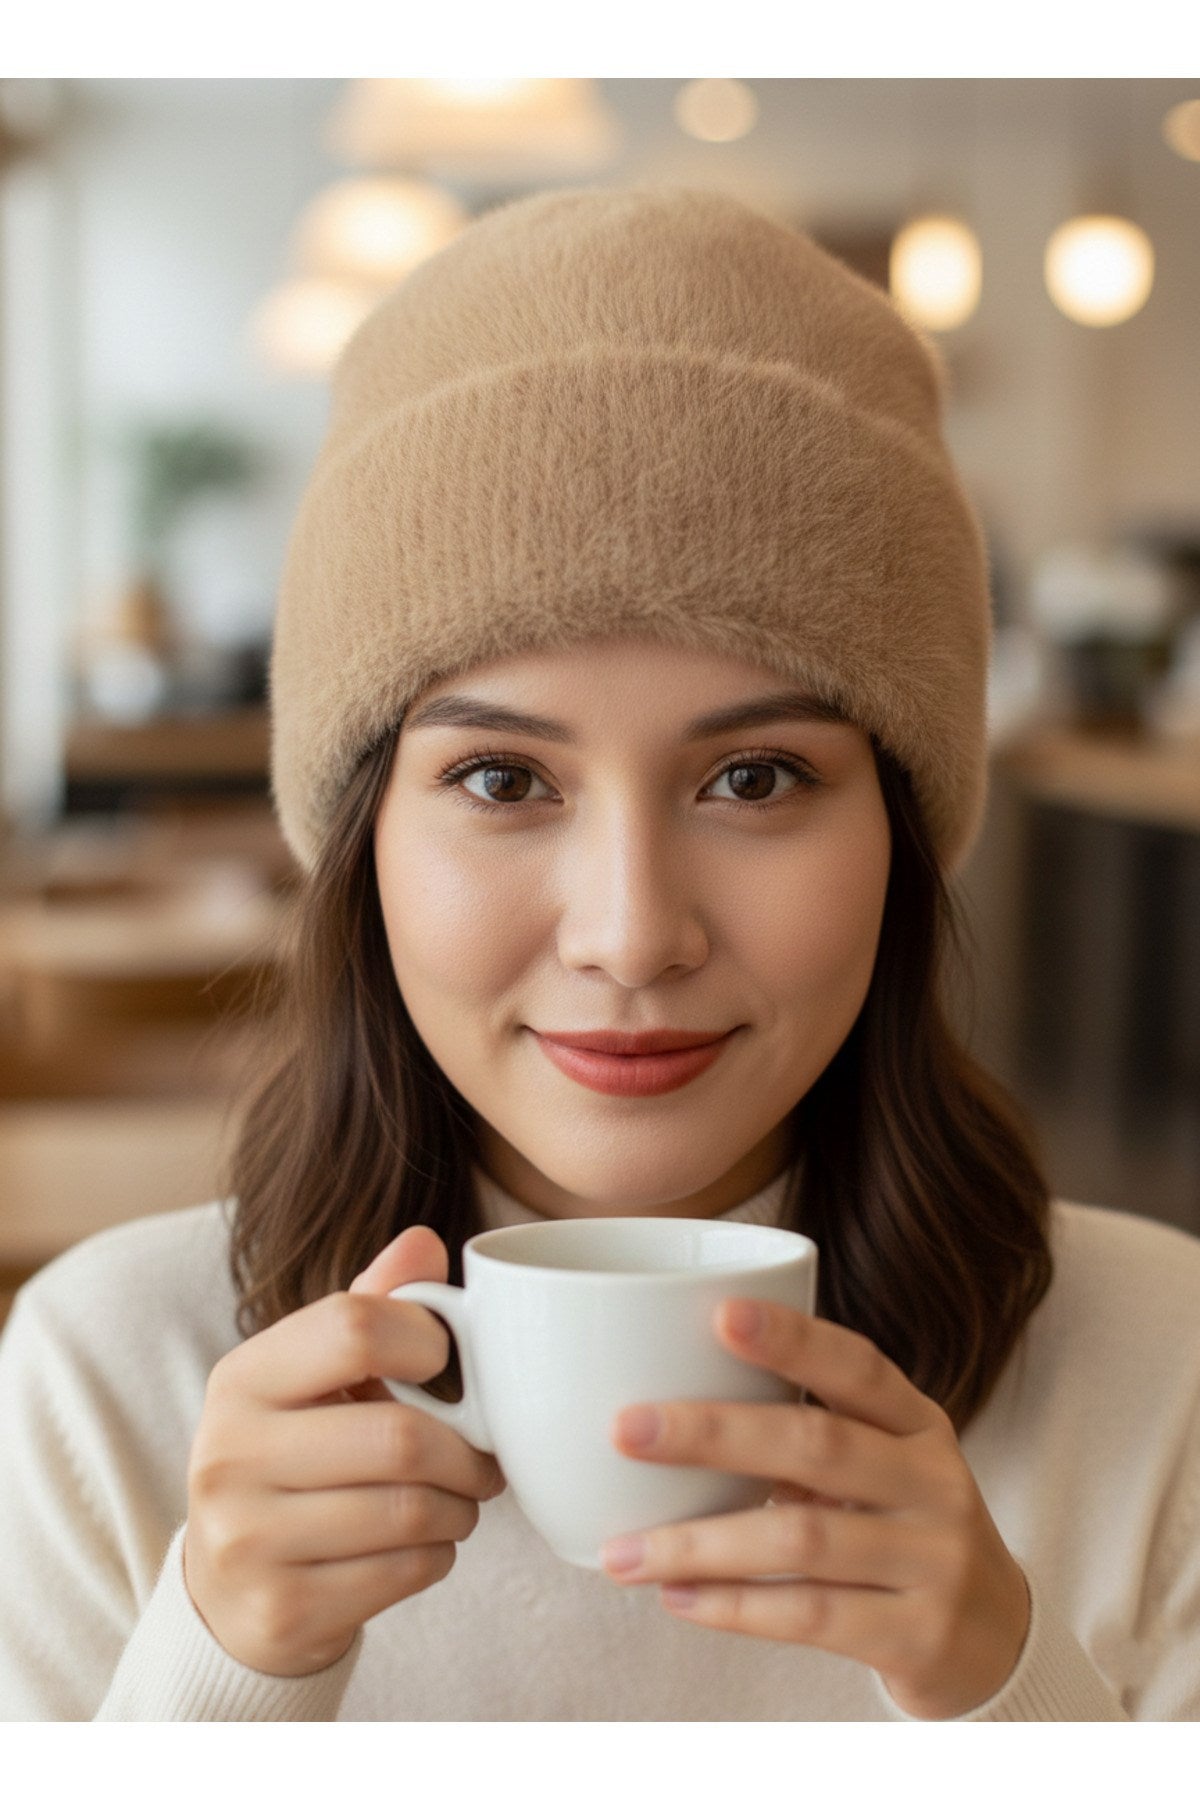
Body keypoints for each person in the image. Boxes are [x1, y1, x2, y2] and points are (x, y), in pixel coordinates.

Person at [1, 184, 1197, 1723]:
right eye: (503, 781)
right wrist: (221, 1670)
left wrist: (1007, 1696)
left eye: (755, 778)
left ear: (905, 834)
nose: (632, 936)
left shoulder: (1151, 1370)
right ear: (361, 840)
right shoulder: (112, 1381)